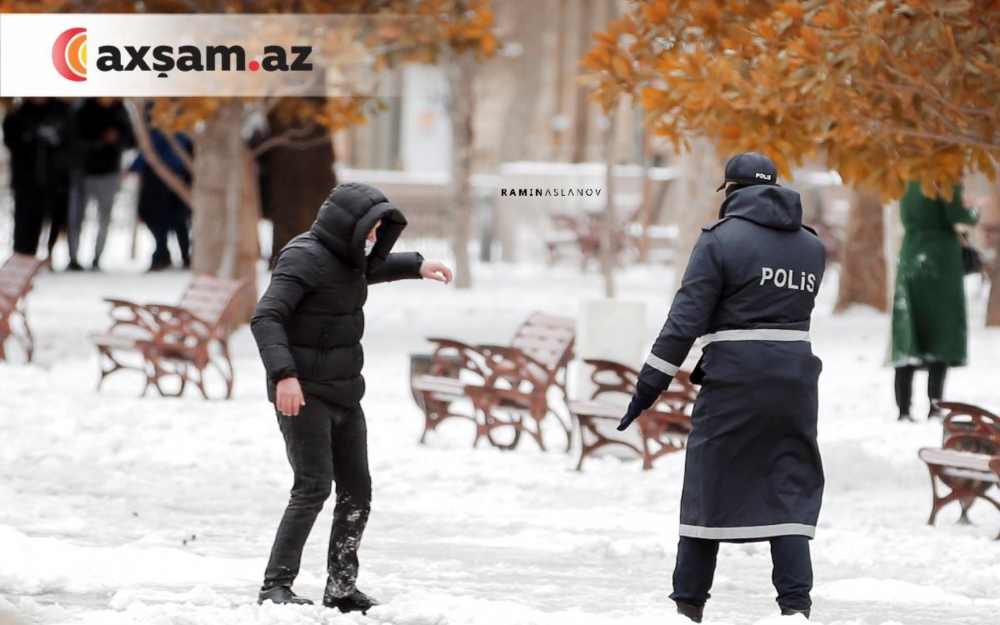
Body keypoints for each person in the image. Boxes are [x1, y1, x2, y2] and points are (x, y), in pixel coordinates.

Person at [617, 153, 826, 622]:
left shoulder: (719, 240)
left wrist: (647, 389)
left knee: (708, 485)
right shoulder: (812, 246)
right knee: (789, 487)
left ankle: (687, 605)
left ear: (730, 190)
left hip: (735, 380)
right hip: (796, 383)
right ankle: (796, 608)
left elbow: (683, 324)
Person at [250, 182, 453, 612]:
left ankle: (341, 587)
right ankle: (275, 585)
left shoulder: (348, 257)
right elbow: (267, 316)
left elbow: (368, 269)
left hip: (344, 392)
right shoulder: (302, 257)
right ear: (348, 224)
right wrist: (285, 376)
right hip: (303, 393)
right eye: (370, 227)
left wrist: (418, 265)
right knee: (313, 487)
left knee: (357, 491)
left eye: (379, 229)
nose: (375, 236)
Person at [891, 181, 980, 421]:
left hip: (910, 254)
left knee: (909, 329)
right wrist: (973, 209)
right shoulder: (942, 175)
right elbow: (956, 213)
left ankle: (903, 409)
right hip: (940, 259)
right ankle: (935, 405)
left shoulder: (904, 176)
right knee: (942, 332)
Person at [2, 97, 78, 262]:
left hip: (56, 180)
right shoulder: (19, 112)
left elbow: (72, 144)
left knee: (56, 219)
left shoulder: (61, 112)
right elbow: (11, 139)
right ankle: (22, 257)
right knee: (25, 222)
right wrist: (30, 136)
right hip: (25, 180)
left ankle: (50, 255)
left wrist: (55, 144)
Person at [68, 98, 135, 271]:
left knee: (104, 218)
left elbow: (131, 141)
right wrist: (99, 141)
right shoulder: (82, 110)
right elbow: (72, 140)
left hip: (109, 173)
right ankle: (73, 258)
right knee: (76, 218)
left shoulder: (119, 111)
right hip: (83, 173)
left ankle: (97, 258)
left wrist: (117, 139)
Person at [129, 128, 193, 271]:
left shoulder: (162, 128)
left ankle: (164, 255)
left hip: (163, 178)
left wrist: (134, 167)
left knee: (165, 219)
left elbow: (149, 147)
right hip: (177, 176)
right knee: (177, 219)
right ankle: (176, 255)